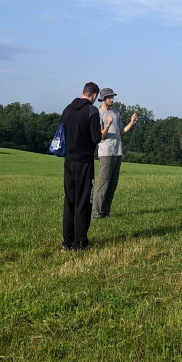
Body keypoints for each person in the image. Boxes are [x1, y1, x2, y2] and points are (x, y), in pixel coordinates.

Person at [61, 82, 102, 252]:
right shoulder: (92, 111)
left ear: (83, 92)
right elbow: (96, 138)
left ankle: (66, 242)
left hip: (69, 161)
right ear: (94, 95)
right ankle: (79, 243)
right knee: (83, 201)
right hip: (84, 162)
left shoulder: (67, 109)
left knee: (69, 201)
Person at [93, 87, 137, 219]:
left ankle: (106, 212)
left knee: (112, 185)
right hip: (106, 153)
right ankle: (96, 213)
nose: (112, 99)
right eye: (110, 97)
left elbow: (120, 132)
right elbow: (100, 136)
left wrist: (131, 122)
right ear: (103, 98)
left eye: (113, 97)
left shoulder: (116, 113)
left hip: (117, 152)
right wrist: (107, 125)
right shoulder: (98, 114)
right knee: (103, 184)